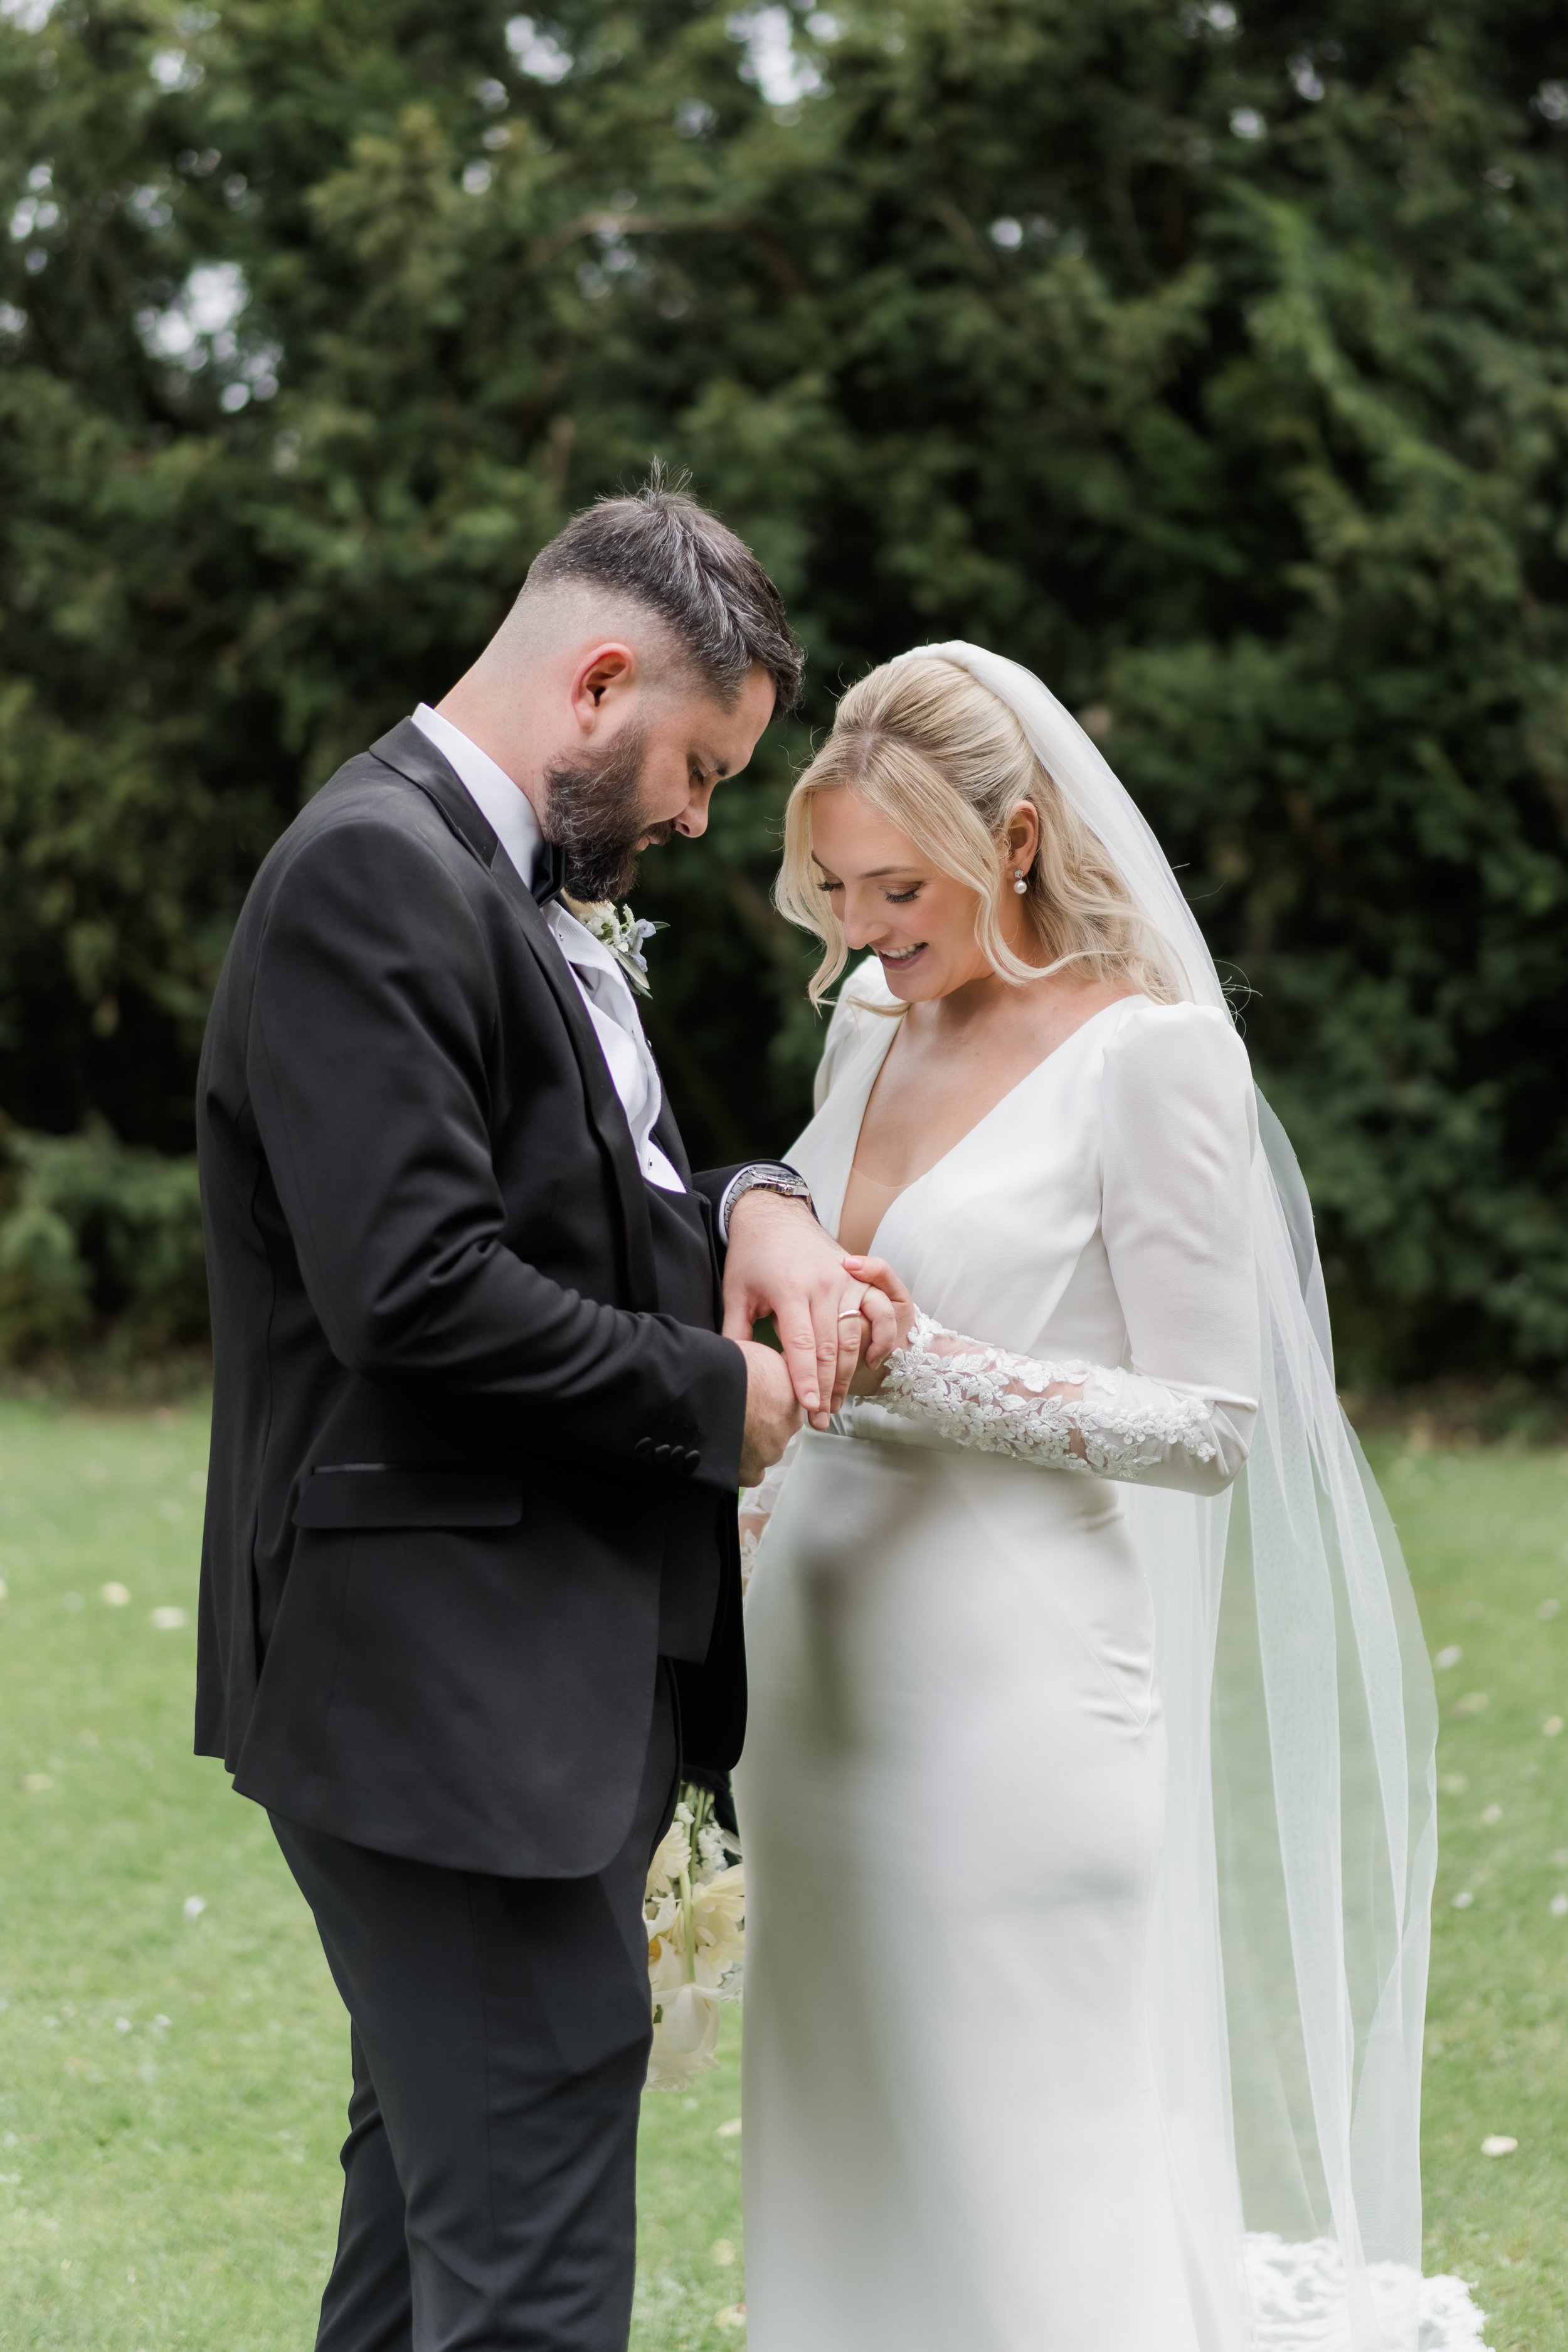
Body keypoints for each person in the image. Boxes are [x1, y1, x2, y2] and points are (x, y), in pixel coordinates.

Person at [193, 477, 898, 2352]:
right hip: (437, 1685)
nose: (694, 815)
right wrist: (712, 1394)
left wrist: (752, 1204)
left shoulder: (517, 891)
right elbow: (412, 1293)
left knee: (433, 2241)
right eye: (697, 766)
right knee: (526, 2281)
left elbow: (618, 1179)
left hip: (514, 1686)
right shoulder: (376, 875)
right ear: (597, 683)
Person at [735, 646, 1481, 2350]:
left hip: (1012, 1685)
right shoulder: (870, 1017)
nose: (858, 927)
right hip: (816, 1682)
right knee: (847, 2134)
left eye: (895, 887)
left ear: (1010, 843)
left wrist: (920, 1373)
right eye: (834, 888)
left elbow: (1212, 1424)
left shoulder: (1152, 1057)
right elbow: (806, 1236)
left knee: (1024, 2150)